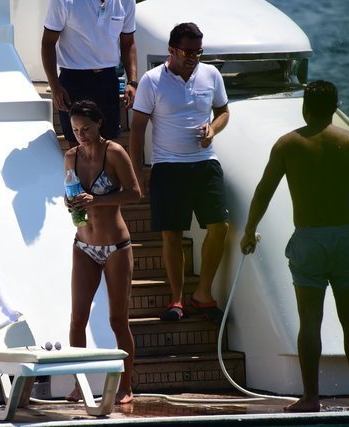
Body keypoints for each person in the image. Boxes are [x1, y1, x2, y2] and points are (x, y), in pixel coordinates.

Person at [240, 80, 349, 412]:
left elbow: (264, 190)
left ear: (305, 108)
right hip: (346, 238)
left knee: (309, 321)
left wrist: (250, 230)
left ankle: (310, 398)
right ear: (334, 109)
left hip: (308, 239)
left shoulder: (289, 144)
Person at [129, 22, 230, 322]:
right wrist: (137, 170)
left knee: (220, 227)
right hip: (168, 166)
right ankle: (176, 299)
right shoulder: (152, 80)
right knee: (172, 233)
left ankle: (203, 295)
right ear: (171, 50)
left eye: (198, 51)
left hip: (205, 162)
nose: (193, 57)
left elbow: (223, 112)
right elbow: (137, 128)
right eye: (188, 52)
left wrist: (212, 129)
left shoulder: (211, 74)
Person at [64, 100, 141, 404]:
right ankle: (79, 384)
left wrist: (95, 200)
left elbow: (135, 193)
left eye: (86, 128)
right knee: (77, 318)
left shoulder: (114, 152)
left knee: (118, 320)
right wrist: (71, 202)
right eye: (75, 130)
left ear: (99, 123)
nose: (81, 135)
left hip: (115, 246)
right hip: (83, 244)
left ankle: (126, 386)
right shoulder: (71, 156)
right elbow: (70, 192)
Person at [41, 0, 138, 147]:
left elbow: (128, 43)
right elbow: (48, 43)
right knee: (78, 144)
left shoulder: (126, 2)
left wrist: (132, 82)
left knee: (108, 143)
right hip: (73, 81)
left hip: (108, 79)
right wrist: (55, 86)